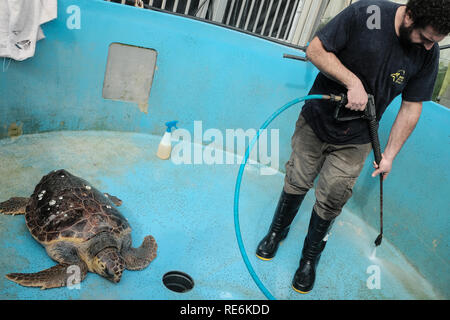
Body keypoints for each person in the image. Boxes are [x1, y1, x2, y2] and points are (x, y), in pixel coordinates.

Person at [256, 0, 449, 294]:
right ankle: (276, 231)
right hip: (317, 119)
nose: (427, 47)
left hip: (358, 137)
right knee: (297, 178)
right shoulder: (365, 14)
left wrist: (390, 156)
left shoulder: (427, 54)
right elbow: (315, 50)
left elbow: (411, 107)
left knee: (333, 195)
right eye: (424, 38)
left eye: (433, 42)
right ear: (410, 16)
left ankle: (309, 259)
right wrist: (351, 82)